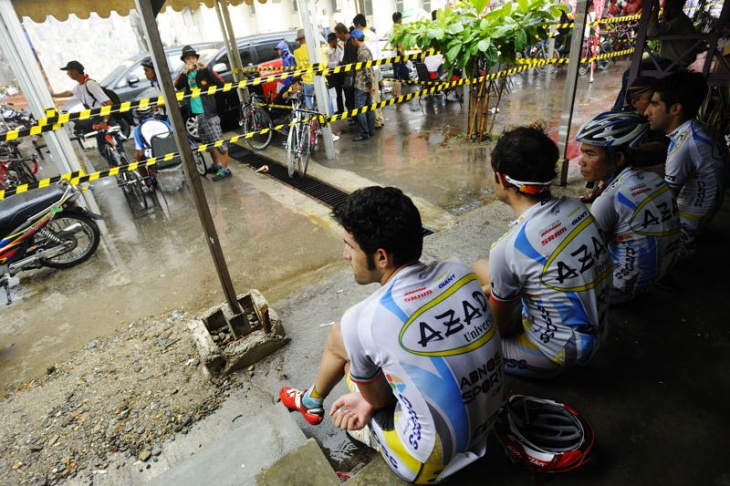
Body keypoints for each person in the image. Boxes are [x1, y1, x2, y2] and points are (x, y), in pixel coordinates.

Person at [279, 186, 504, 484]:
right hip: (492, 421)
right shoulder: (459, 270)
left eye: (350, 246)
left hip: (426, 461)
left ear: (381, 257)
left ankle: (323, 407)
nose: (346, 255)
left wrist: (365, 399)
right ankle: (312, 399)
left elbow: (381, 399)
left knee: (349, 359)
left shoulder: (362, 319)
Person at [473, 123, 612, 378]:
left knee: (468, 349)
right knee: (482, 266)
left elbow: (498, 328)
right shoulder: (576, 208)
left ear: (501, 179)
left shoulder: (509, 247)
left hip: (556, 354)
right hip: (597, 331)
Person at [576, 112, 681, 302]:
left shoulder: (608, 200)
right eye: (583, 152)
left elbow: (591, 257)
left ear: (618, 159)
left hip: (621, 288)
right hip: (659, 272)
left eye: (590, 153)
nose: (580, 161)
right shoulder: (653, 179)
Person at [644, 71, 727, 252]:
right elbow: (674, 171)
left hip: (684, 230)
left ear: (675, 109)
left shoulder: (684, 146)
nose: (646, 111)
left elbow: (664, 201)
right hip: (703, 216)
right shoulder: (702, 129)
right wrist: (637, 170)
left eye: (654, 104)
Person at [612, 0, 697, 111]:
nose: (665, 11)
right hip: (668, 60)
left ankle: (621, 109)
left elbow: (651, 32)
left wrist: (656, 9)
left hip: (673, 64)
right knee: (633, 68)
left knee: (629, 74)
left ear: (674, 7)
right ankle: (620, 107)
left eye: (666, 8)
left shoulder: (679, 21)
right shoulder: (677, 20)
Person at [174, 45, 231, 182]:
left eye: (193, 57)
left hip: (209, 111)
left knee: (218, 141)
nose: (191, 60)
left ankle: (225, 169)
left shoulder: (204, 72)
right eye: (188, 59)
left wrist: (206, 68)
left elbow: (220, 82)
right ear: (184, 61)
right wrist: (184, 72)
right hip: (197, 114)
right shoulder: (186, 74)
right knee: (208, 142)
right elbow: (177, 86)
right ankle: (216, 165)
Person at [51, 60, 119, 167]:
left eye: (68, 71)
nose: (67, 74)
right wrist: (53, 95)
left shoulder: (90, 84)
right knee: (105, 149)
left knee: (112, 146)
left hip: (105, 117)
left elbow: (108, 103)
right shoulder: (80, 86)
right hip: (97, 118)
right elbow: (69, 93)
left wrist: (105, 121)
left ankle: (123, 167)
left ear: (74, 71)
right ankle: (119, 168)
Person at [353, 14, 384, 129]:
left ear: (358, 25)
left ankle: (376, 121)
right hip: (376, 67)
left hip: (369, 70)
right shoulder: (372, 34)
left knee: (372, 97)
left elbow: (365, 56)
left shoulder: (363, 36)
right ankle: (380, 118)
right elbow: (379, 52)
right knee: (377, 96)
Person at [350, 28, 376, 141]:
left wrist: (370, 84)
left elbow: (367, 70)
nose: (352, 42)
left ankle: (364, 133)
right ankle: (371, 130)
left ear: (355, 39)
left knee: (360, 110)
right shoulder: (367, 50)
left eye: (352, 39)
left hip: (361, 85)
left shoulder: (362, 53)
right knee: (369, 108)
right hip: (367, 84)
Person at [335, 23, 357, 115]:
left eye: (338, 35)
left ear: (342, 33)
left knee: (351, 97)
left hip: (351, 74)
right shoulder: (347, 42)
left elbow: (352, 59)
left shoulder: (350, 43)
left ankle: (355, 117)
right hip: (348, 73)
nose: (338, 38)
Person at [390, 11, 411, 100]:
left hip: (392, 55)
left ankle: (395, 94)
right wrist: (404, 56)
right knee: (398, 76)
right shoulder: (398, 29)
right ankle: (399, 95)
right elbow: (400, 44)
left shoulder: (391, 29)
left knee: (395, 75)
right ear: (399, 19)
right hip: (398, 56)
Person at [293, 29, 315, 110]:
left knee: (309, 107)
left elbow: (299, 67)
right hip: (319, 79)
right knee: (325, 103)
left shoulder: (296, 52)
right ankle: (327, 120)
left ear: (299, 40)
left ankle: (313, 121)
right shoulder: (314, 48)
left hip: (307, 81)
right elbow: (324, 63)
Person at [324, 32, 345, 114]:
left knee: (345, 91)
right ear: (330, 41)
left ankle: (348, 109)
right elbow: (327, 63)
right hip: (334, 74)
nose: (335, 43)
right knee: (337, 92)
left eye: (336, 40)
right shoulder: (326, 50)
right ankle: (340, 110)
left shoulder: (340, 47)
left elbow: (342, 56)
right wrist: (337, 63)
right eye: (333, 41)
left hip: (342, 72)